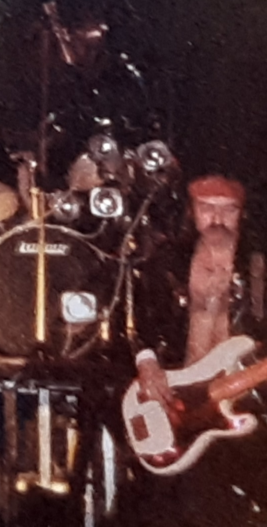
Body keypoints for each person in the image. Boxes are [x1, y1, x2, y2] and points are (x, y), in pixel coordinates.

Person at [121, 174, 267, 526]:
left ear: (242, 214)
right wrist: (148, 363)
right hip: (176, 399)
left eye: (228, 210)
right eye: (206, 209)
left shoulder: (258, 267)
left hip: (246, 402)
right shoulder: (167, 261)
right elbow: (142, 317)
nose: (217, 219)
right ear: (191, 212)